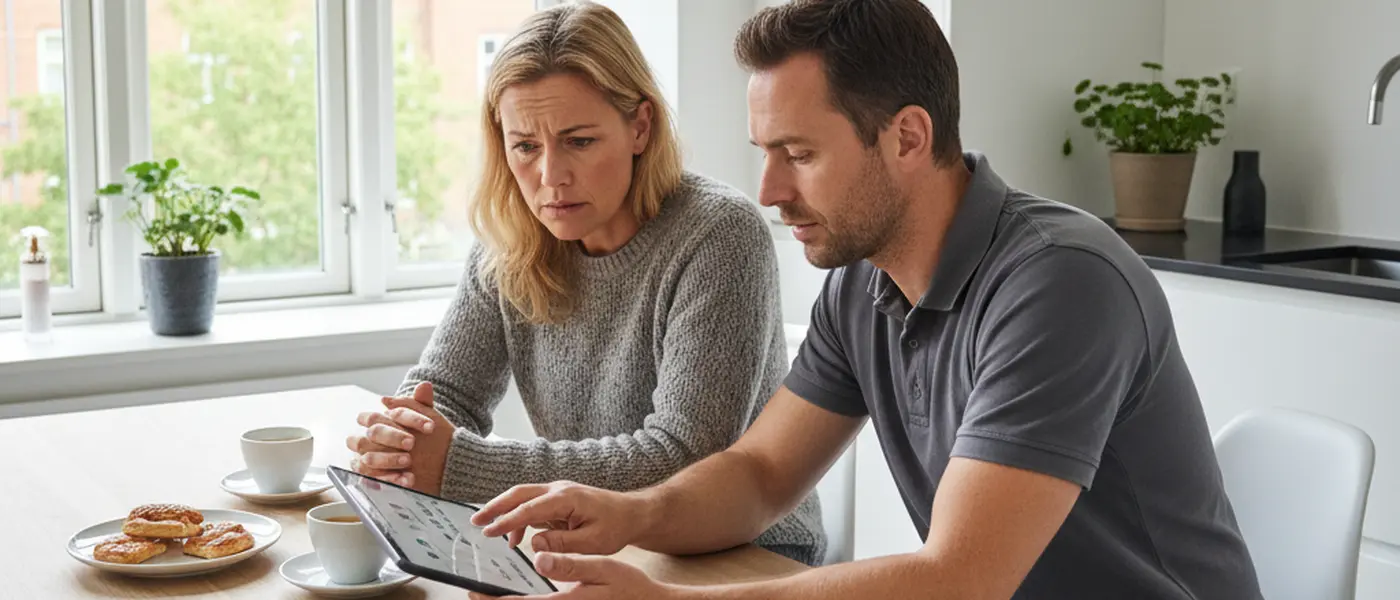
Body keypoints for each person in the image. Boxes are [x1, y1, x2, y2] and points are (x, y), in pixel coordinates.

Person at [460, 0, 1266, 598]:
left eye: (799, 154)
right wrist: (625, 514)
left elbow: (958, 579)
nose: (769, 191)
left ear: (908, 137)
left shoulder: (1060, 284)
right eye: (764, 152)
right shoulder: (863, 280)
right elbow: (760, 473)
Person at [341, 1, 826, 566]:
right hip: (588, 544)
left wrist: (459, 465)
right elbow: (447, 392)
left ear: (640, 127)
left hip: (743, 554)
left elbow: (683, 456)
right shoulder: (511, 239)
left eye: (578, 141)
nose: (551, 176)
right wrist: (401, 439)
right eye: (525, 146)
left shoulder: (718, 233)